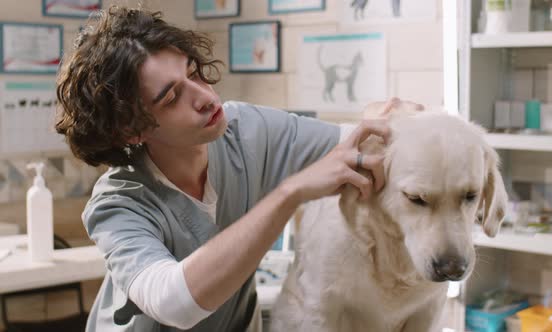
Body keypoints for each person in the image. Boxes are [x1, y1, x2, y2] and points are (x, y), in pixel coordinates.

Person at [55, 5, 394, 332]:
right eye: (172, 98)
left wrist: (391, 121)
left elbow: (362, 143)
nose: (205, 97)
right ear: (133, 130)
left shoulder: (246, 129)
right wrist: (290, 193)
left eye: (194, 72)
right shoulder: (118, 205)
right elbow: (174, 302)